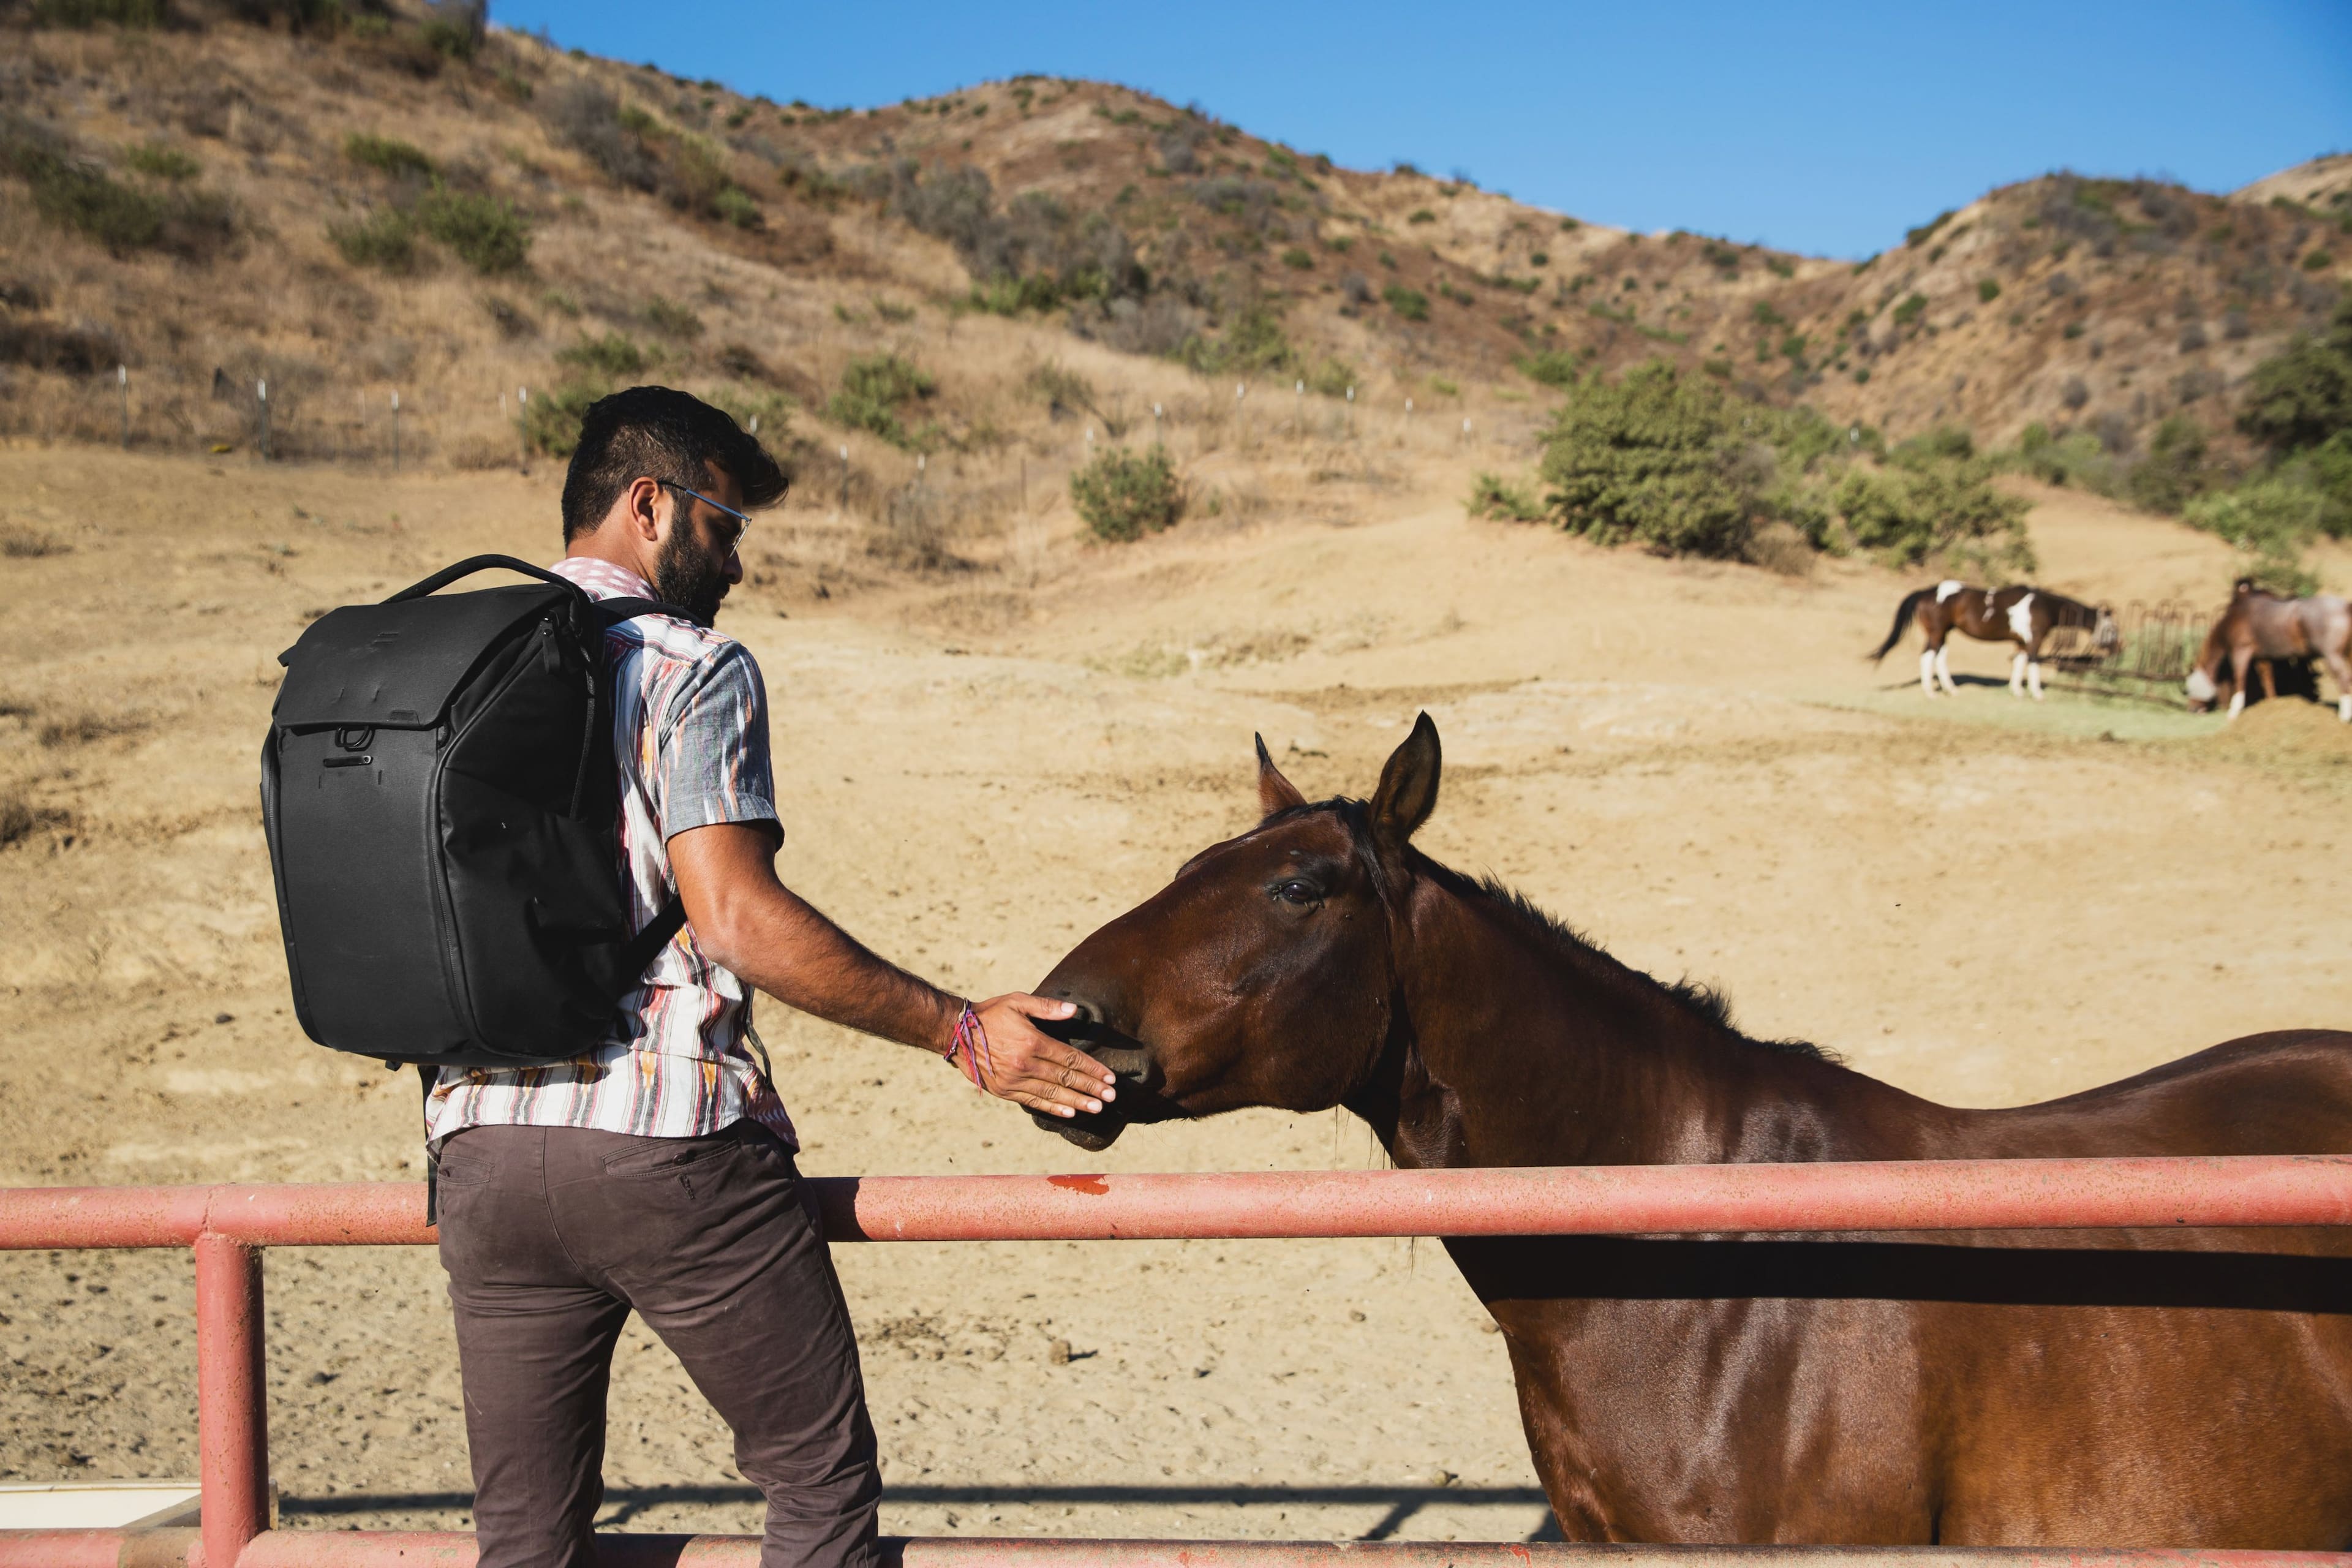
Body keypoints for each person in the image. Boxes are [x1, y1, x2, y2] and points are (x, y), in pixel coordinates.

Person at [425, 386, 1117, 1568]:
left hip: (478, 1150)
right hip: (665, 1144)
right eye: (725, 525)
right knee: (817, 1487)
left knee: (525, 1540)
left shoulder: (454, 663)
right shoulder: (689, 666)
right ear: (650, 506)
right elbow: (737, 918)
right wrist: (961, 1031)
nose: (736, 562)